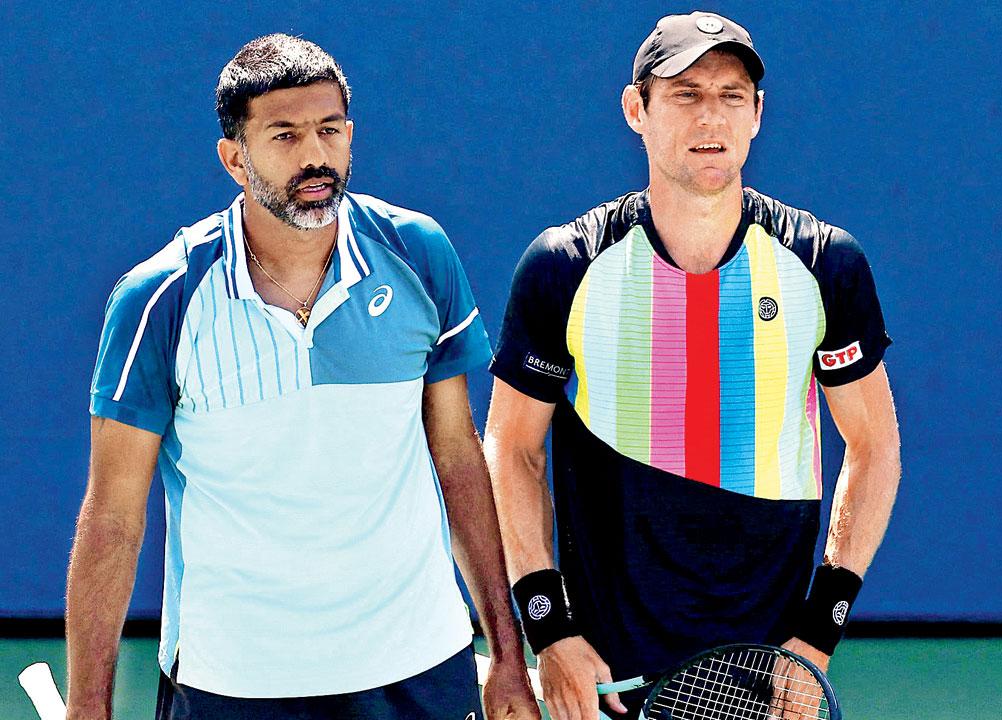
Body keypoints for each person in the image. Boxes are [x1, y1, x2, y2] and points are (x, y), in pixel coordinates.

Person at [66, 34, 539, 720]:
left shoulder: (418, 253)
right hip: (235, 683)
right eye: (284, 135)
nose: (314, 156)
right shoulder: (160, 299)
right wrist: (88, 710)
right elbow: (112, 518)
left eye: (328, 130)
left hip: (417, 670)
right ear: (234, 158)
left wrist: (506, 653)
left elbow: (458, 455)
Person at [485, 11, 902, 720]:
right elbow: (512, 448)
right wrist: (550, 629)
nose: (711, 115)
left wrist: (815, 637)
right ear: (635, 109)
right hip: (607, 674)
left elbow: (875, 447)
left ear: (757, 114)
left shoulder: (826, 263)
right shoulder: (565, 265)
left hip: (766, 675)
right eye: (685, 94)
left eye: (731, 95)